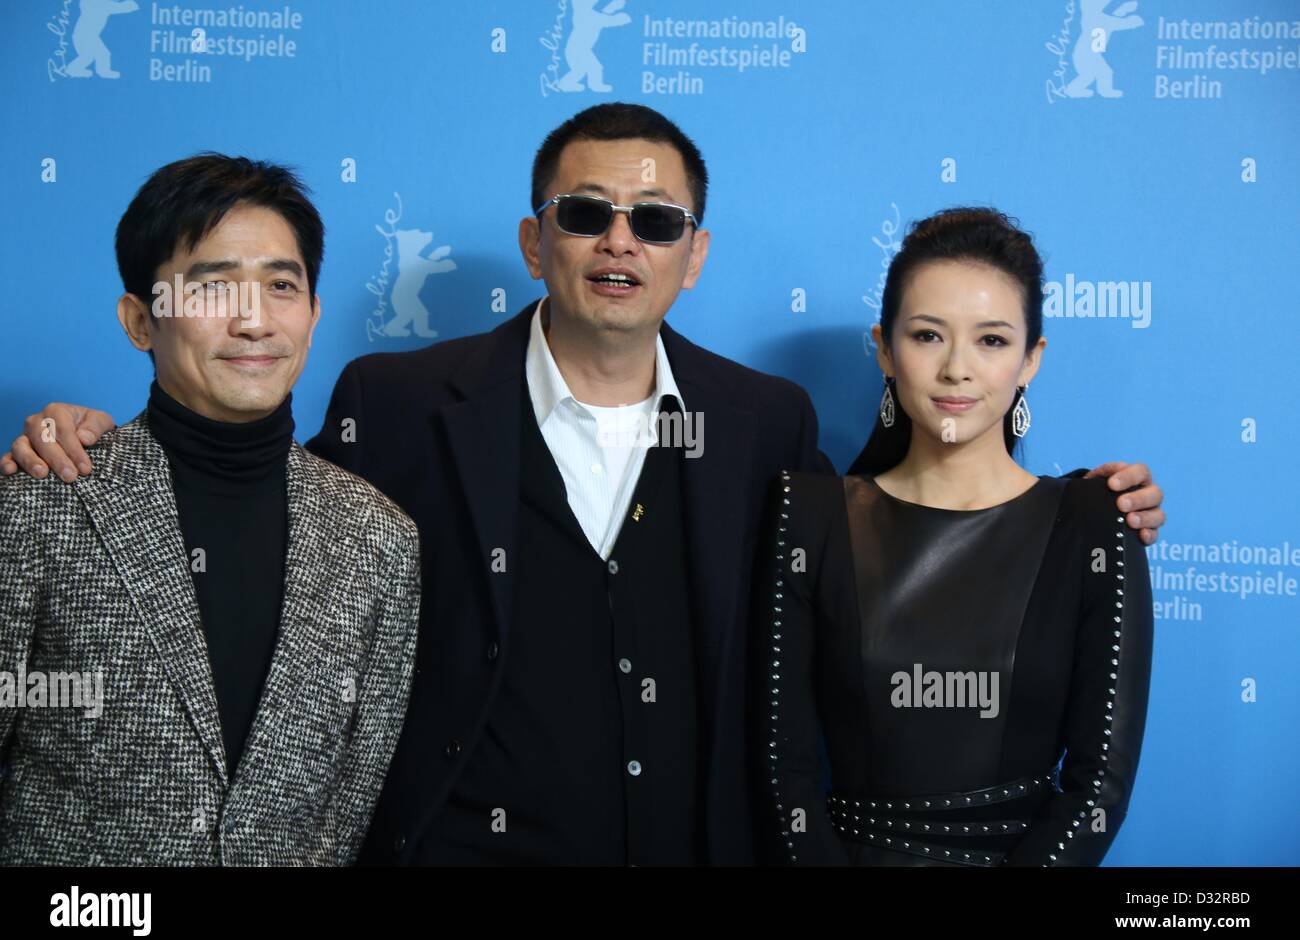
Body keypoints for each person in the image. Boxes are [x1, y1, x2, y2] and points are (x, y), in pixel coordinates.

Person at [0, 106, 1167, 866]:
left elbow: (881, 534)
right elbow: (249, 489)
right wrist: (100, 440)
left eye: (655, 220)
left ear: (693, 252)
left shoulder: (767, 421)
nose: (620, 240)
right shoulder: (400, 400)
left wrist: (1067, 513)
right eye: (586, 213)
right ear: (533, 236)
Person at [0, 154, 421, 865]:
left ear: (314, 315)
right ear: (140, 320)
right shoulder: (44, 501)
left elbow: (349, 806)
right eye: (213, 288)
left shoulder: (380, 537)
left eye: (282, 286)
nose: (254, 321)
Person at [753, 207, 1153, 866]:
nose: (957, 370)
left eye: (992, 340)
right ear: (884, 347)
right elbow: (782, 775)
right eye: (928, 335)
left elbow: (1097, 793)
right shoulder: (810, 513)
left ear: (1032, 359)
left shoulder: (1095, 523)